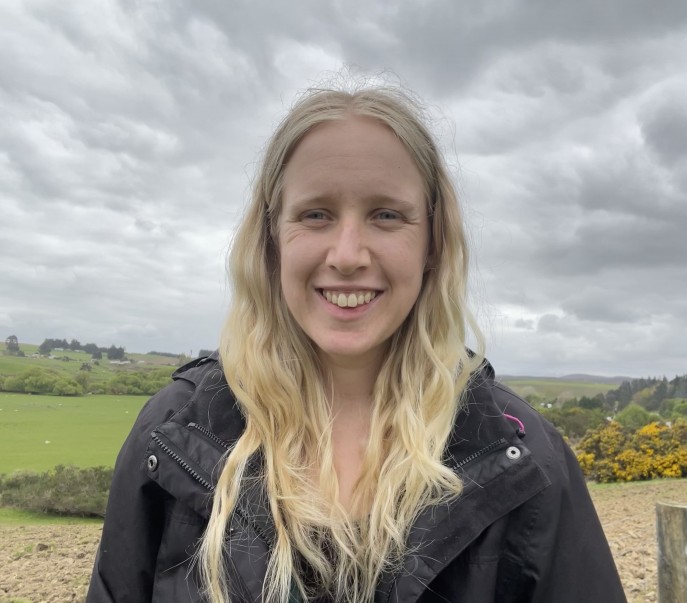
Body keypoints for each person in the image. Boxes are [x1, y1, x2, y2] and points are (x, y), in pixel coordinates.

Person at [87, 85, 626, 603]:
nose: (347, 254)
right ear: (271, 240)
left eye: (386, 215)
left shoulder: (524, 460)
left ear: (432, 243)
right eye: (315, 214)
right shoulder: (176, 435)